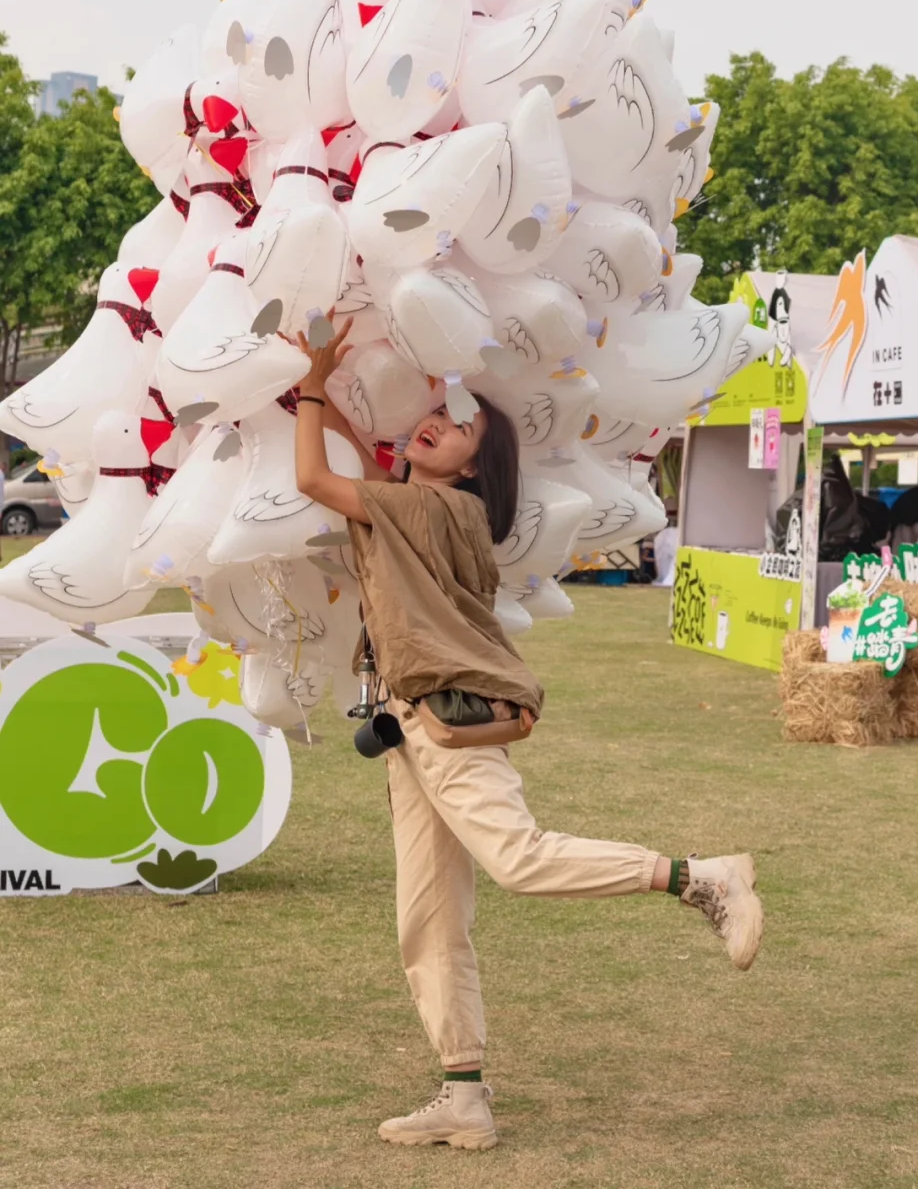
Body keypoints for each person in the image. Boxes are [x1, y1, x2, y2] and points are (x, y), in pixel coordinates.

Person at [292, 314, 764, 1152]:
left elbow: (316, 482)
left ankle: (704, 878)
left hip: (450, 720)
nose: (437, 422)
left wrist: (303, 396)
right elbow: (366, 466)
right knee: (429, 919)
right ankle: (462, 1093)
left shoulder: (436, 512)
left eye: (461, 425)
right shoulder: (420, 506)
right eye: (439, 413)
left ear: (473, 464)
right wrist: (323, 388)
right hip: (415, 726)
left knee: (517, 856)